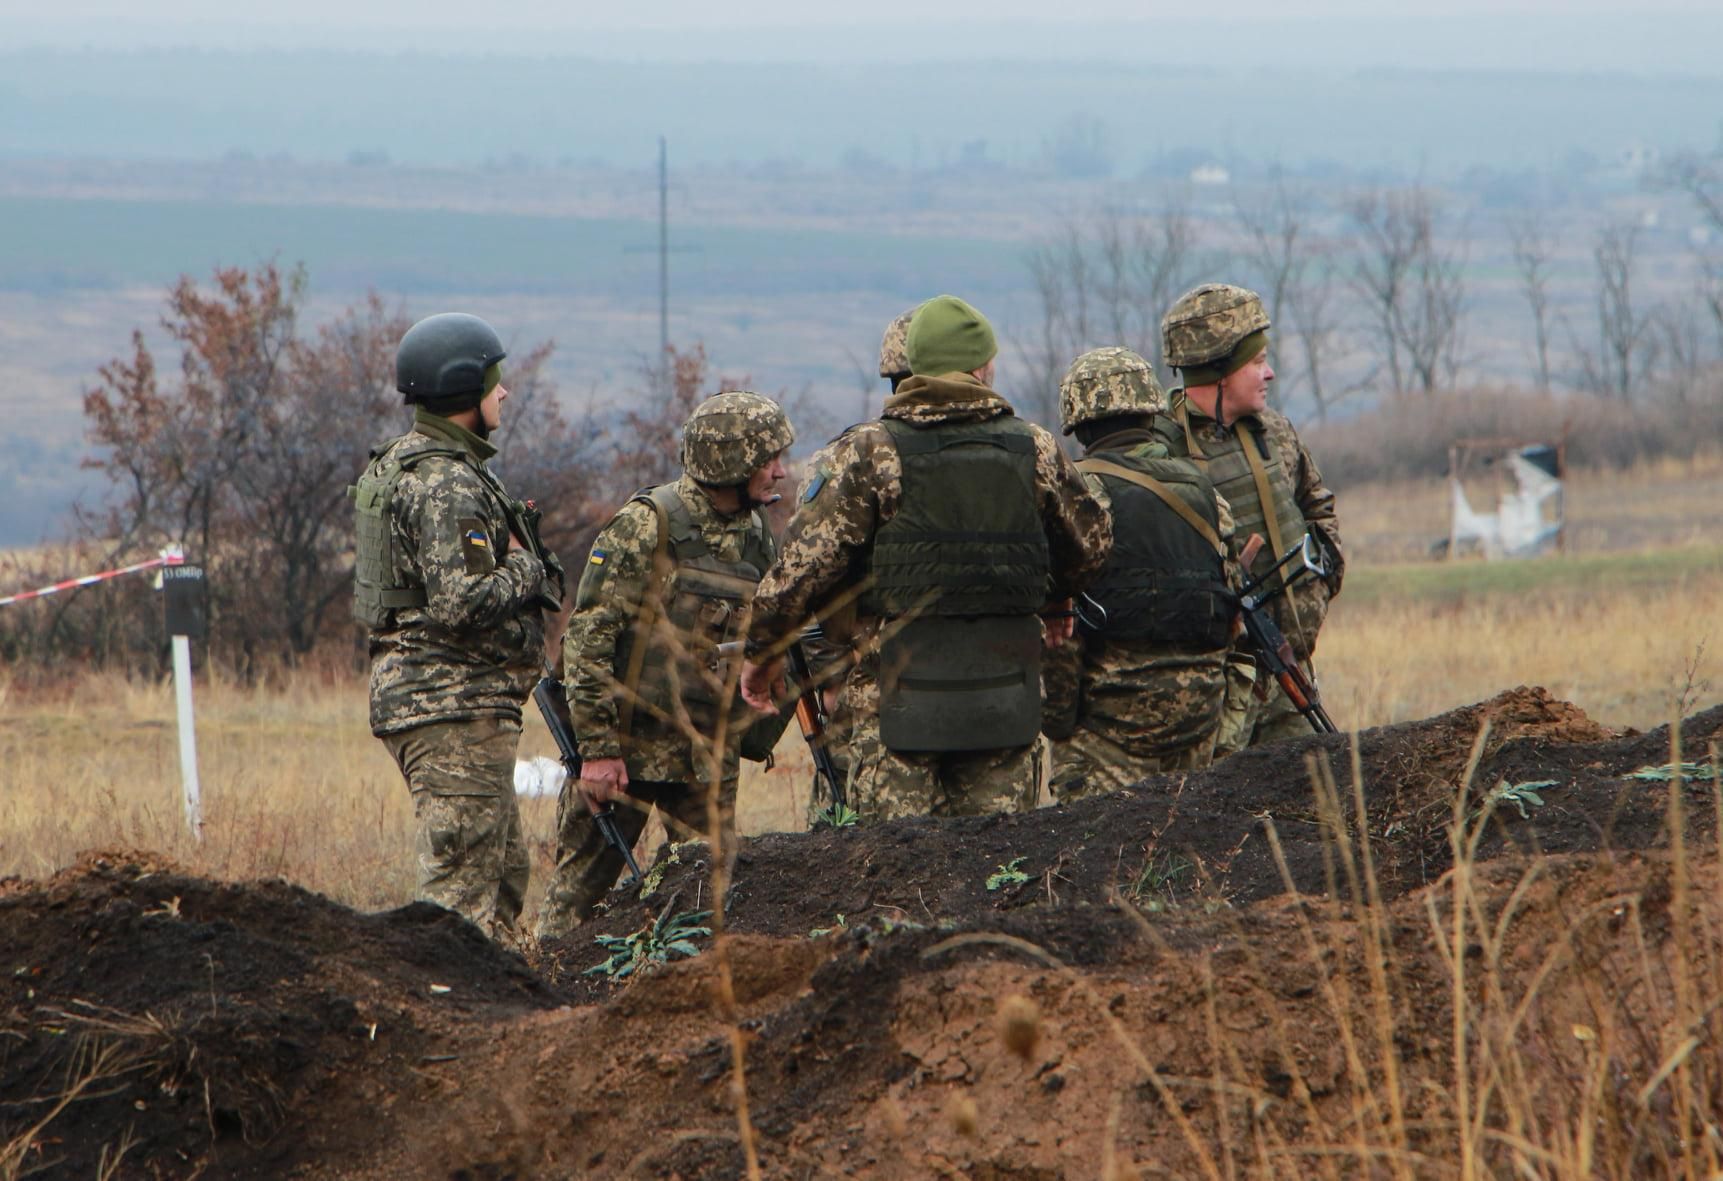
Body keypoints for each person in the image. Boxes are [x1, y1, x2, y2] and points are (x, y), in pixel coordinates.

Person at [739, 295, 1111, 822]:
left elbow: (800, 571)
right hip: (1004, 701)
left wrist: (762, 653)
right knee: (997, 861)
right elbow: (1091, 549)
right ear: (983, 366)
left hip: (897, 711)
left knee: (898, 863)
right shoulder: (1036, 450)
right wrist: (1054, 597)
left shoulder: (870, 452)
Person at [535, 392, 795, 938]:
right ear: (733, 461)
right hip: (626, 751)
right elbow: (588, 639)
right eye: (769, 458)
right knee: (576, 905)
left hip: (704, 755)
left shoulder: (754, 533)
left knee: (707, 905)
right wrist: (598, 750)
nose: (780, 471)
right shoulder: (645, 525)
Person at [353, 311, 563, 939]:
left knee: (502, 877)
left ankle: (495, 996)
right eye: (495, 381)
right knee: (460, 900)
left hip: (451, 703)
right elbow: (461, 602)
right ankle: (441, 998)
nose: (505, 392)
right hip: (451, 706)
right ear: (466, 390)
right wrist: (527, 568)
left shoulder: (413, 464)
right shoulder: (445, 483)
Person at [1155, 283, 1344, 753]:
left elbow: (1318, 505)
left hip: (1291, 669)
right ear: (1220, 371)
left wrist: (1323, 581)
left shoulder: (1274, 431)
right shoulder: (1161, 451)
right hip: (1218, 690)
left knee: (1314, 786)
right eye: (1257, 361)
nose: (1270, 372)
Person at [1044, 347, 1238, 799]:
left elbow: (1059, 624)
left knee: (1099, 842)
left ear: (1078, 423)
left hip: (1108, 731)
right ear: (1150, 412)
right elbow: (1230, 604)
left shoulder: (1082, 494)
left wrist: (1057, 717)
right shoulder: (1204, 492)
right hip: (1200, 717)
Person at [795, 305, 920, 820]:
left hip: (880, 691)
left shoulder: (853, 456)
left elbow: (803, 577)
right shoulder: (1021, 449)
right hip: (981, 688)